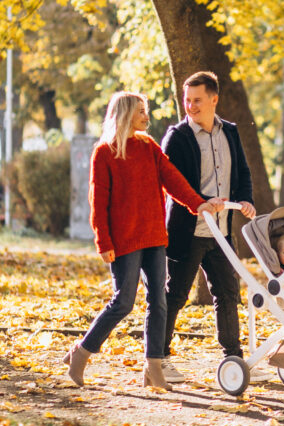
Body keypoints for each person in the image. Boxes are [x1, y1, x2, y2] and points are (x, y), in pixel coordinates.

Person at [62, 91, 223, 389]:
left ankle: (153, 370)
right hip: (123, 241)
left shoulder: (149, 147)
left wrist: (197, 203)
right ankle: (81, 354)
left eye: (145, 111)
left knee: (158, 302)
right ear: (125, 114)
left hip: (153, 237)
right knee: (122, 302)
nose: (146, 117)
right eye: (141, 111)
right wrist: (103, 242)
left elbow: (173, 179)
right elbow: (99, 202)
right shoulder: (105, 152)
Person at [161, 71, 258, 383]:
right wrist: (203, 201)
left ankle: (234, 359)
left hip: (222, 231)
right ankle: (159, 358)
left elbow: (241, 171)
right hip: (188, 230)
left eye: (197, 100)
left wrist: (245, 200)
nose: (190, 106)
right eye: (187, 100)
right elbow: (175, 185)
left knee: (228, 293)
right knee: (176, 294)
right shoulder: (177, 137)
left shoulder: (229, 131)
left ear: (214, 100)